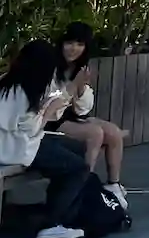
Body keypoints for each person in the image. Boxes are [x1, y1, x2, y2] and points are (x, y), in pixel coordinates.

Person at [0, 40, 91, 238]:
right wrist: (49, 110)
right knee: (78, 168)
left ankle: (61, 213)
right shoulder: (19, 92)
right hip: (15, 149)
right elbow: (30, 128)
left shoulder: (12, 83)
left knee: (76, 148)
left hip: (19, 143)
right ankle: (52, 223)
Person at [52, 23, 128, 209]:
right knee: (94, 133)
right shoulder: (51, 67)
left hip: (70, 116)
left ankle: (114, 185)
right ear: (62, 43)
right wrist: (73, 88)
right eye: (69, 43)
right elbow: (51, 107)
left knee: (113, 132)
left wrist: (80, 88)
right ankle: (83, 187)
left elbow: (83, 110)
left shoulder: (80, 68)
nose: (73, 48)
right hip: (49, 120)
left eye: (80, 44)